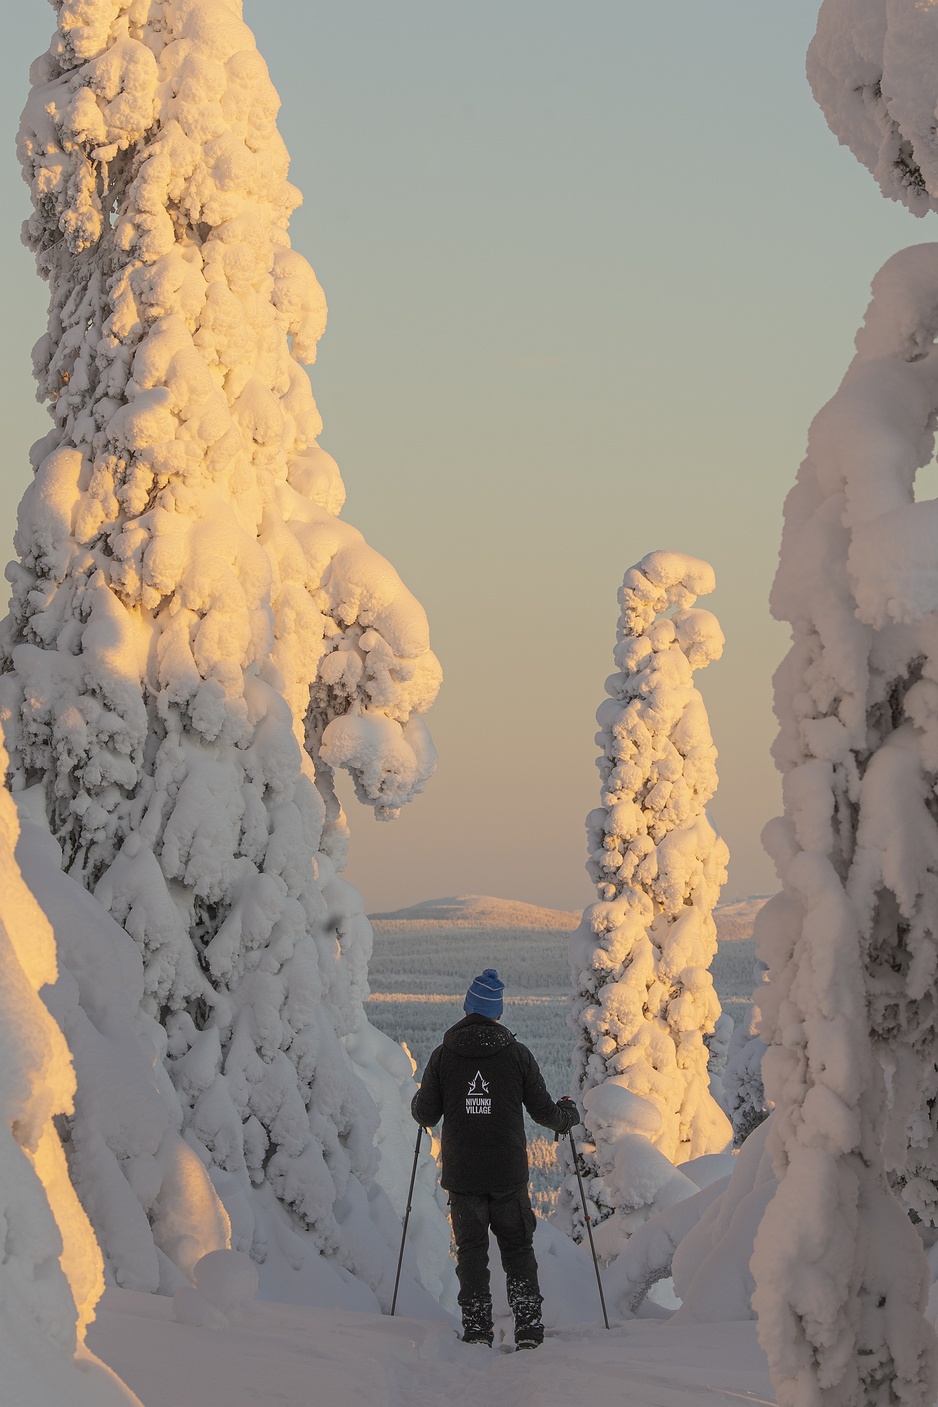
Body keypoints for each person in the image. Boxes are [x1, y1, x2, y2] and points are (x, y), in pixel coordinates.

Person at [411, 967, 578, 1349]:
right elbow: (544, 1113)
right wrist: (568, 1117)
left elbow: (426, 1115)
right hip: (507, 1175)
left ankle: (477, 1331)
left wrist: (415, 1104)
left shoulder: (443, 1056)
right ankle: (529, 1331)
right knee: (518, 1250)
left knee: (471, 1253)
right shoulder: (517, 1055)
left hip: (463, 1175)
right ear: (498, 1013)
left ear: (468, 1008)